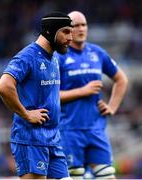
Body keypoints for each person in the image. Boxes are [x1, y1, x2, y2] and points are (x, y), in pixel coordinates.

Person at [0, 12, 73, 179]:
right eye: (66, 31)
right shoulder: (27, 56)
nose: (71, 37)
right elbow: (3, 86)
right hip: (31, 140)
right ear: (50, 32)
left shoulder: (53, 58)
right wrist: (26, 114)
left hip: (53, 139)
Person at [55, 11, 128, 179]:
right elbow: (49, 96)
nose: (81, 29)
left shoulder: (97, 53)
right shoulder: (59, 57)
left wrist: (112, 107)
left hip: (96, 128)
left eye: (84, 25)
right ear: (67, 30)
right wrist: (83, 91)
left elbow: (121, 80)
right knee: (75, 176)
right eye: (75, 26)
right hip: (69, 130)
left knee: (108, 176)